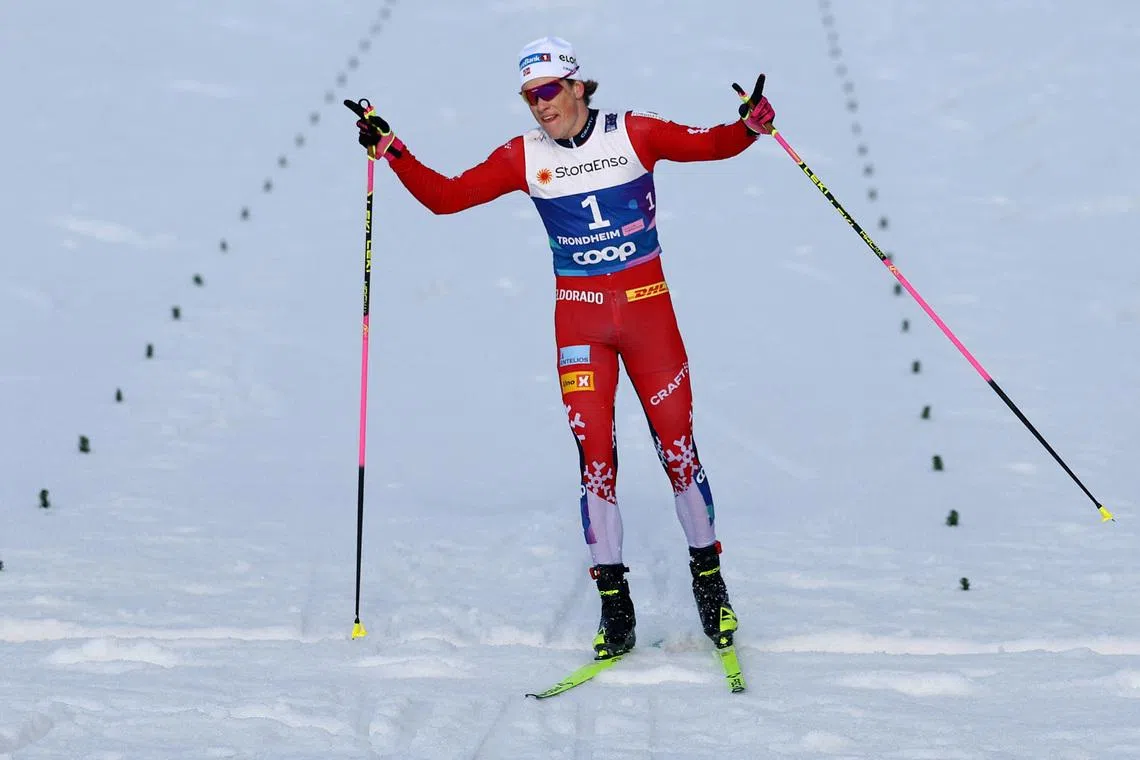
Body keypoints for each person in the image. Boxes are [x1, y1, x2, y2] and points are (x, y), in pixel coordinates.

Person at [352, 36, 775, 660]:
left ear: (578, 86)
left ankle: (710, 585)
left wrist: (751, 126)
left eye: (548, 90)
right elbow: (446, 198)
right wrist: (392, 149)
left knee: (678, 449)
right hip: (580, 324)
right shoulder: (524, 155)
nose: (540, 105)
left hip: (649, 315)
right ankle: (615, 605)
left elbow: (712, 144)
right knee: (595, 459)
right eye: (530, 96)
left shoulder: (633, 133)